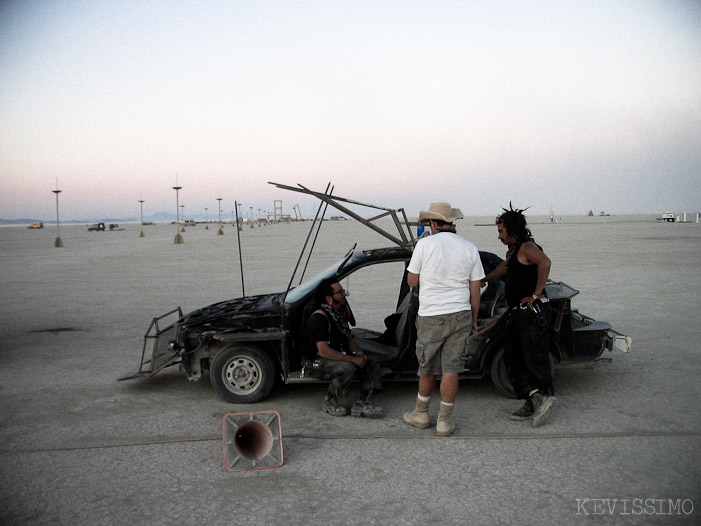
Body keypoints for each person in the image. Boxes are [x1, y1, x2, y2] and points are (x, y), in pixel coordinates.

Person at [402, 202, 485, 437]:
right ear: (451, 222)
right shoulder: (469, 248)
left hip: (431, 315)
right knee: (451, 369)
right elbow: (475, 290)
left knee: (427, 367)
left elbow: (411, 281)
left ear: (432, 223)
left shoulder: (424, 245)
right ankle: (444, 422)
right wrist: (474, 319)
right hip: (461, 314)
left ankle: (421, 414)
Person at [482, 204, 555, 427]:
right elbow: (505, 267)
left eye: (501, 231)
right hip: (517, 313)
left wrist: (536, 294)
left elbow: (545, 262)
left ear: (512, 230)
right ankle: (531, 399)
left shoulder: (527, 247)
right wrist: (485, 279)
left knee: (533, 357)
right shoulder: (515, 251)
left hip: (531, 313)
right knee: (512, 356)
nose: (499, 236)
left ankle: (544, 396)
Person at [306, 278, 383, 418]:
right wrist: (352, 360)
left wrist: (359, 354)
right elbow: (323, 350)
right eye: (340, 292)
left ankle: (363, 402)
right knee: (347, 367)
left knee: (371, 361)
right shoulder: (319, 318)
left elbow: (347, 338)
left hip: (336, 354)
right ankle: (330, 400)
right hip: (318, 362)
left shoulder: (337, 313)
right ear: (329, 298)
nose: (344, 294)